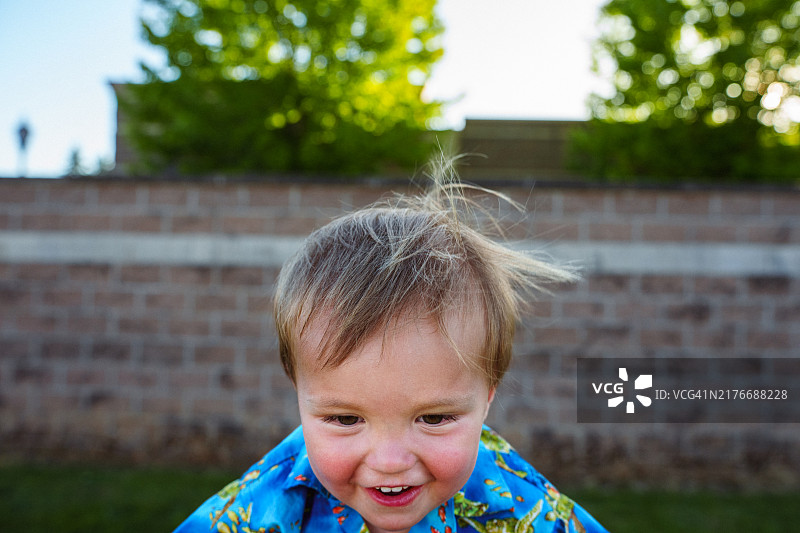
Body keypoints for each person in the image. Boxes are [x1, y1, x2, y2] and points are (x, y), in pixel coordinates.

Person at [174, 158, 608, 533]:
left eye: (434, 418)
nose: (389, 460)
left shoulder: (527, 510)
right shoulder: (254, 513)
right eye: (345, 419)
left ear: (487, 397)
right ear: (299, 396)